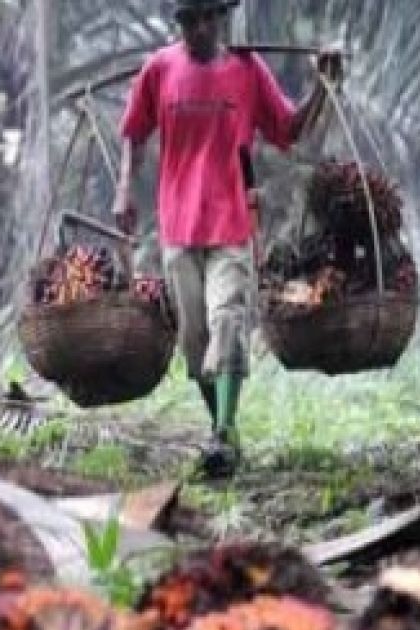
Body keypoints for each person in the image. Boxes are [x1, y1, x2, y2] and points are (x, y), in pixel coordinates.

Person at [113, 0, 342, 478]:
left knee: (228, 322)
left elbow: (289, 130)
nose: (197, 28)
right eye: (188, 20)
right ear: (180, 23)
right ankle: (223, 430)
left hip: (231, 222)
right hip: (178, 224)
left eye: (206, 18)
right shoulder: (160, 69)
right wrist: (123, 190)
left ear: (220, 19)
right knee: (195, 342)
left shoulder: (246, 69)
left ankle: (221, 433)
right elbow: (133, 132)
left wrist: (325, 84)